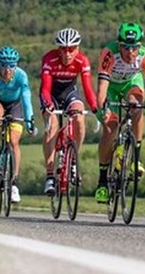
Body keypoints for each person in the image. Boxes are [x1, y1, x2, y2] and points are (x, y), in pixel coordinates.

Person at [93, 22, 145, 204]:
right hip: (111, 87)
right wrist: (102, 109)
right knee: (110, 128)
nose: (130, 52)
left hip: (132, 83)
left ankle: (135, 158)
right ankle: (102, 181)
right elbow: (102, 88)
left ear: (140, 46)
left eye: (135, 48)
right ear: (119, 44)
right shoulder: (109, 53)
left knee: (137, 105)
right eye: (125, 47)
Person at [39, 27, 99, 197]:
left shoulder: (82, 61)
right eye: (63, 49)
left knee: (79, 118)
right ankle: (50, 175)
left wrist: (95, 107)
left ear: (77, 48)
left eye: (71, 49)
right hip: (51, 94)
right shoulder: (49, 60)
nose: (67, 53)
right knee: (51, 127)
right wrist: (49, 106)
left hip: (70, 93)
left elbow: (87, 89)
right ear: (58, 49)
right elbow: (45, 88)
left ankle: (73, 158)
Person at [0, 46, 37, 204]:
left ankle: (14, 184)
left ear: (16, 65)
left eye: (11, 65)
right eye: (4, 65)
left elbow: (26, 101)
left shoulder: (21, 76)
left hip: (15, 105)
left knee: (14, 142)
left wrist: (30, 121)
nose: (7, 70)